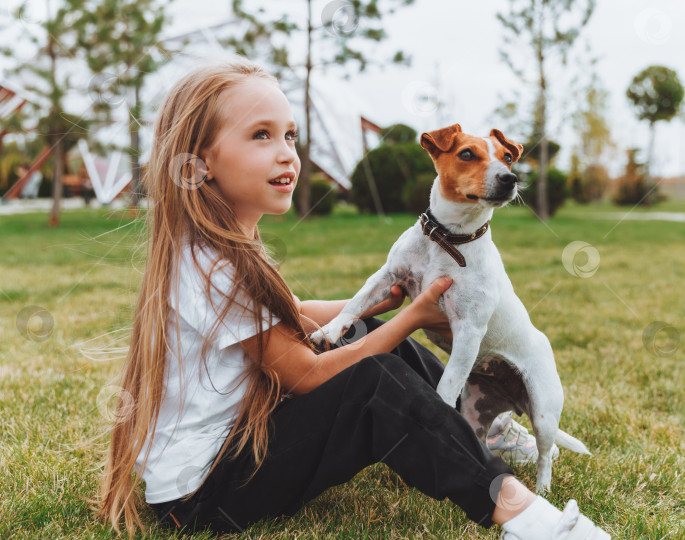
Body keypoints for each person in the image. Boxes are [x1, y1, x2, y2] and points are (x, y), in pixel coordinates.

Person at [91, 56, 609, 540]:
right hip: (203, 496)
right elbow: (308, 374)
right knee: (372, 379)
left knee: (362, 337)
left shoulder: (219, 248)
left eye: (290, 135)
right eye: (261, 135)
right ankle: (521, 511)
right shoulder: (213, 265)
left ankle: (481, 427)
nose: (286, 152)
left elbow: (296, 315)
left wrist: (378, 305)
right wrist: (412, 316)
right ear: (200, 162)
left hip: (226, 462)